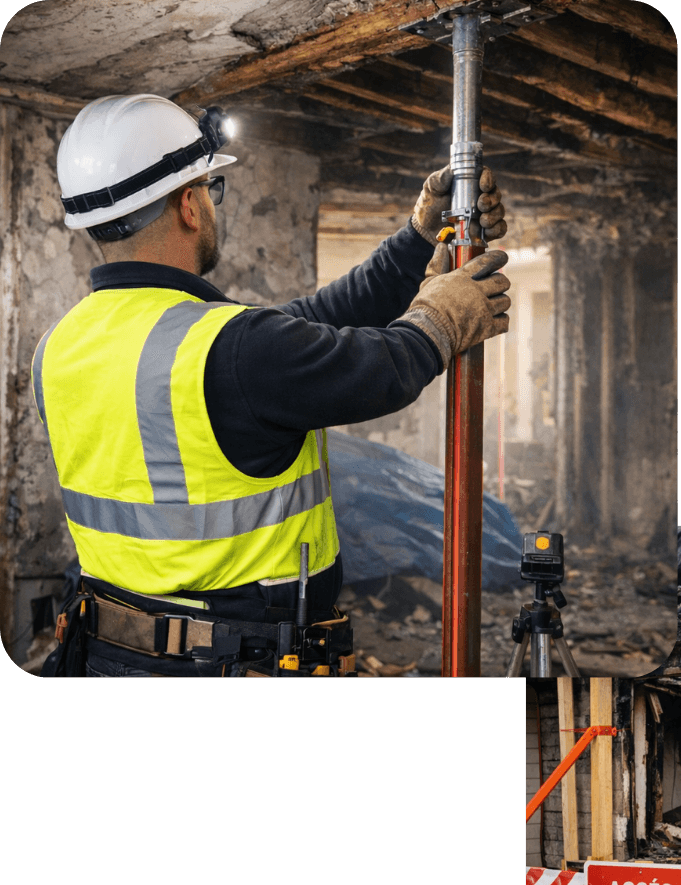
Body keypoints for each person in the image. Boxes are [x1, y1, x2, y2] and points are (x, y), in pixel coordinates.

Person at [33, 94, 510, 677]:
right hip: (231, 661)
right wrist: (444, 316)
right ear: (188, 204)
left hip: (106, 654)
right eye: (211, 190)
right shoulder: (230, 348)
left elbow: (302, 325)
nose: (212, 205)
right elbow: (377, 370)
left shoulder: (58, 346)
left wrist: (413, 245)